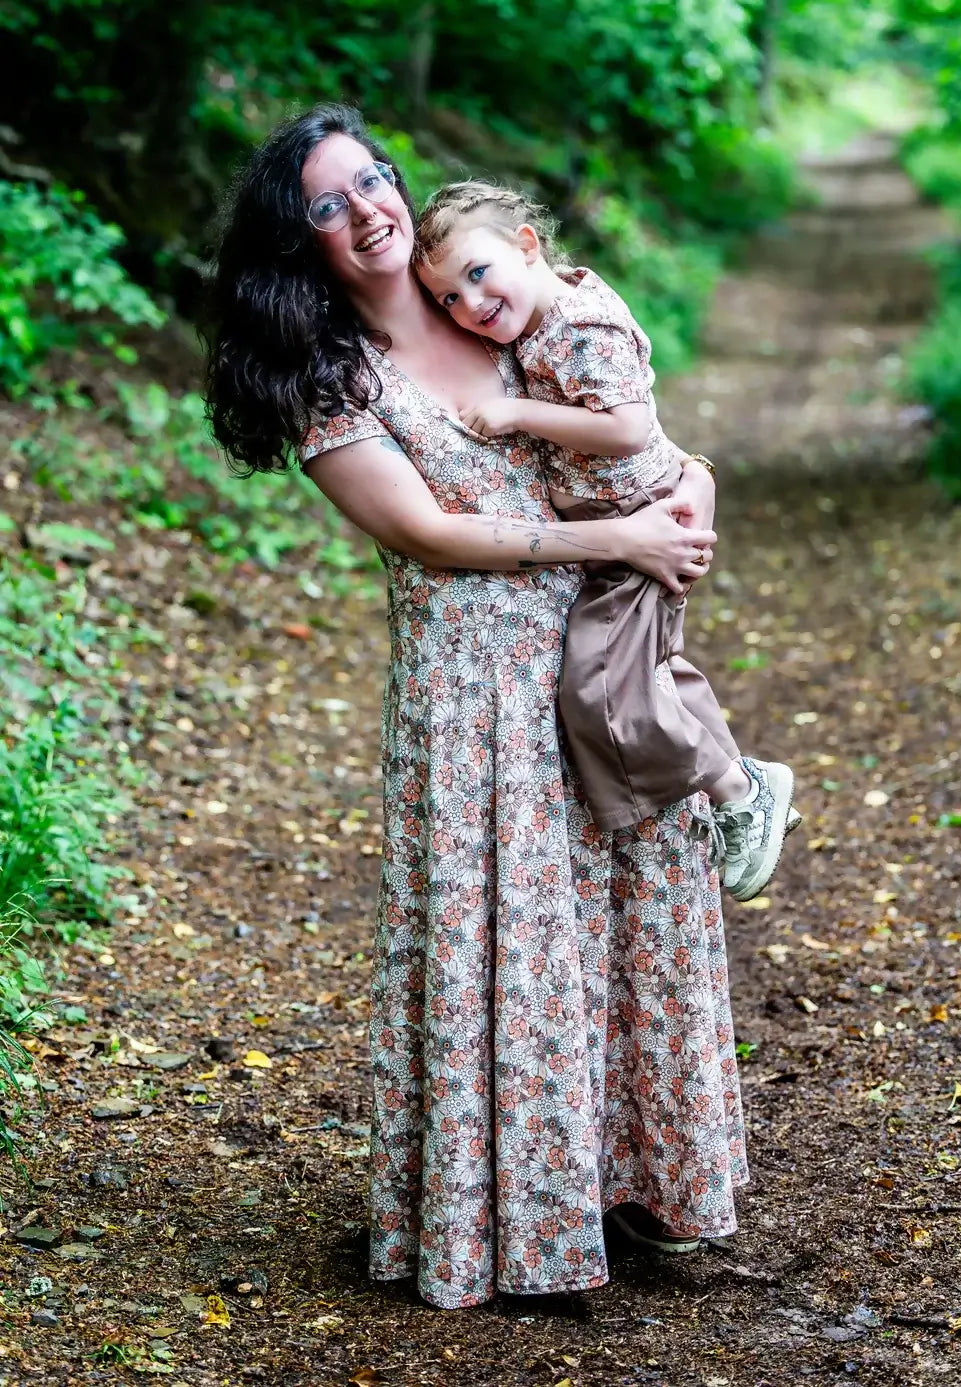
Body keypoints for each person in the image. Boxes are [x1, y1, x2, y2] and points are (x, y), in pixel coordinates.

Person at [206, 103, 748, 1311]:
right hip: (473, 703)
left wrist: (689, 486)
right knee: (505, 951)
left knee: (622, 929)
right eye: (326, 207)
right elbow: (427, 532)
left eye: (371, 181)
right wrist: (618, 536)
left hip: (598, 672)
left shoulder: (486, 292)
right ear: (301, 244)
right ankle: (505, 1218)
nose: (364, 212)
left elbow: (626, 429)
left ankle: (621, 1187)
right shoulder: (333, 379)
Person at [415, 183, 800, 902]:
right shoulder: (542, 320)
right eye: (446, 299)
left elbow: (625, 425)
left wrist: (515, 413)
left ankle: (733, 789)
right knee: (651, 668)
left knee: (597, 680)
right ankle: (746, 784)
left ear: (527, 245)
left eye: (476, 273)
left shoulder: (579, 326)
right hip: (618, 527)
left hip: (640, 523)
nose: (469, 305)